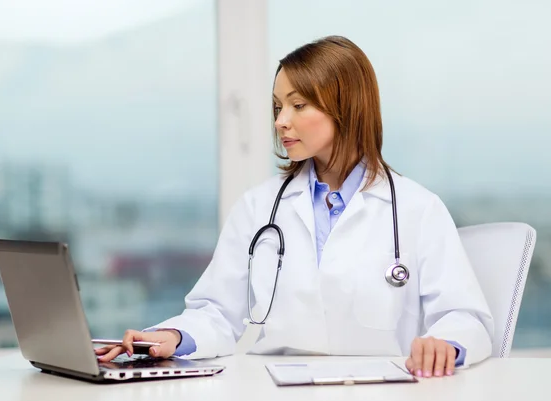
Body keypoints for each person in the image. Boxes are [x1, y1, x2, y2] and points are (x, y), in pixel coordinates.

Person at [96, 36, 493, 378]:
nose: (281, 121)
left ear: (347, 106)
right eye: (276, 107)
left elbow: (465, 316)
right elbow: (217, 311)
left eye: (298, 105)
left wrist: (447, 344)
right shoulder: (259, 207)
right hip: (272, 386)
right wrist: (174, 337)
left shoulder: (418, 210)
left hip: (382, 388)